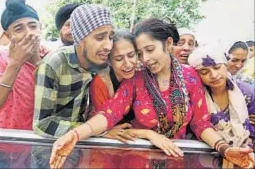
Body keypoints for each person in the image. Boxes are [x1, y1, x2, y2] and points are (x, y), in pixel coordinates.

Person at [49, 18, 254, 169]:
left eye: (149, 49)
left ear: (167, 44)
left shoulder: (191, 77)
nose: (144, 59)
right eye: (139, 53)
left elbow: (200, 123)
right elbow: (109, 114)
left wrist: (225, 149)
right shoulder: (137, 79)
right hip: (136, 160)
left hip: (176, 159)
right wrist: (74, 135)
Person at [33, 4, 114, 138]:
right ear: (80, 38)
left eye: (110, 37)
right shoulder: (54, 64)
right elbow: (42, 124)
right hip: (51, 145)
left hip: (83, 145)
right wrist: (94, 129)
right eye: (99, 38)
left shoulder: (103, 61)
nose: (108, 46)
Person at [0, 0, 44, 130]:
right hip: (3, 141)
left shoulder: (51, 57)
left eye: (33, 26)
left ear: (40, 28)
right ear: (7, 36)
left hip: (37, 144)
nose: (29, 33)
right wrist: (16, 63)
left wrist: (38, 61)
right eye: (19, 29)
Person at [188, 44, 255, 149]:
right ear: (197, 75)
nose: (214, 75)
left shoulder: (248, 94)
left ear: (226, 65)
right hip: (206, 154)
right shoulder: (194, 97)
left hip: (244, 153)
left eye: (217, 67)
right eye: (205, 72)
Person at [90, 30, 137, 141]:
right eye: (119, 59)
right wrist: (104, 132)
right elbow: (100, 119)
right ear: (109, 61)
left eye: (131, 55)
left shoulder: (142, 73)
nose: (128, 63)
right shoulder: (101, 82)